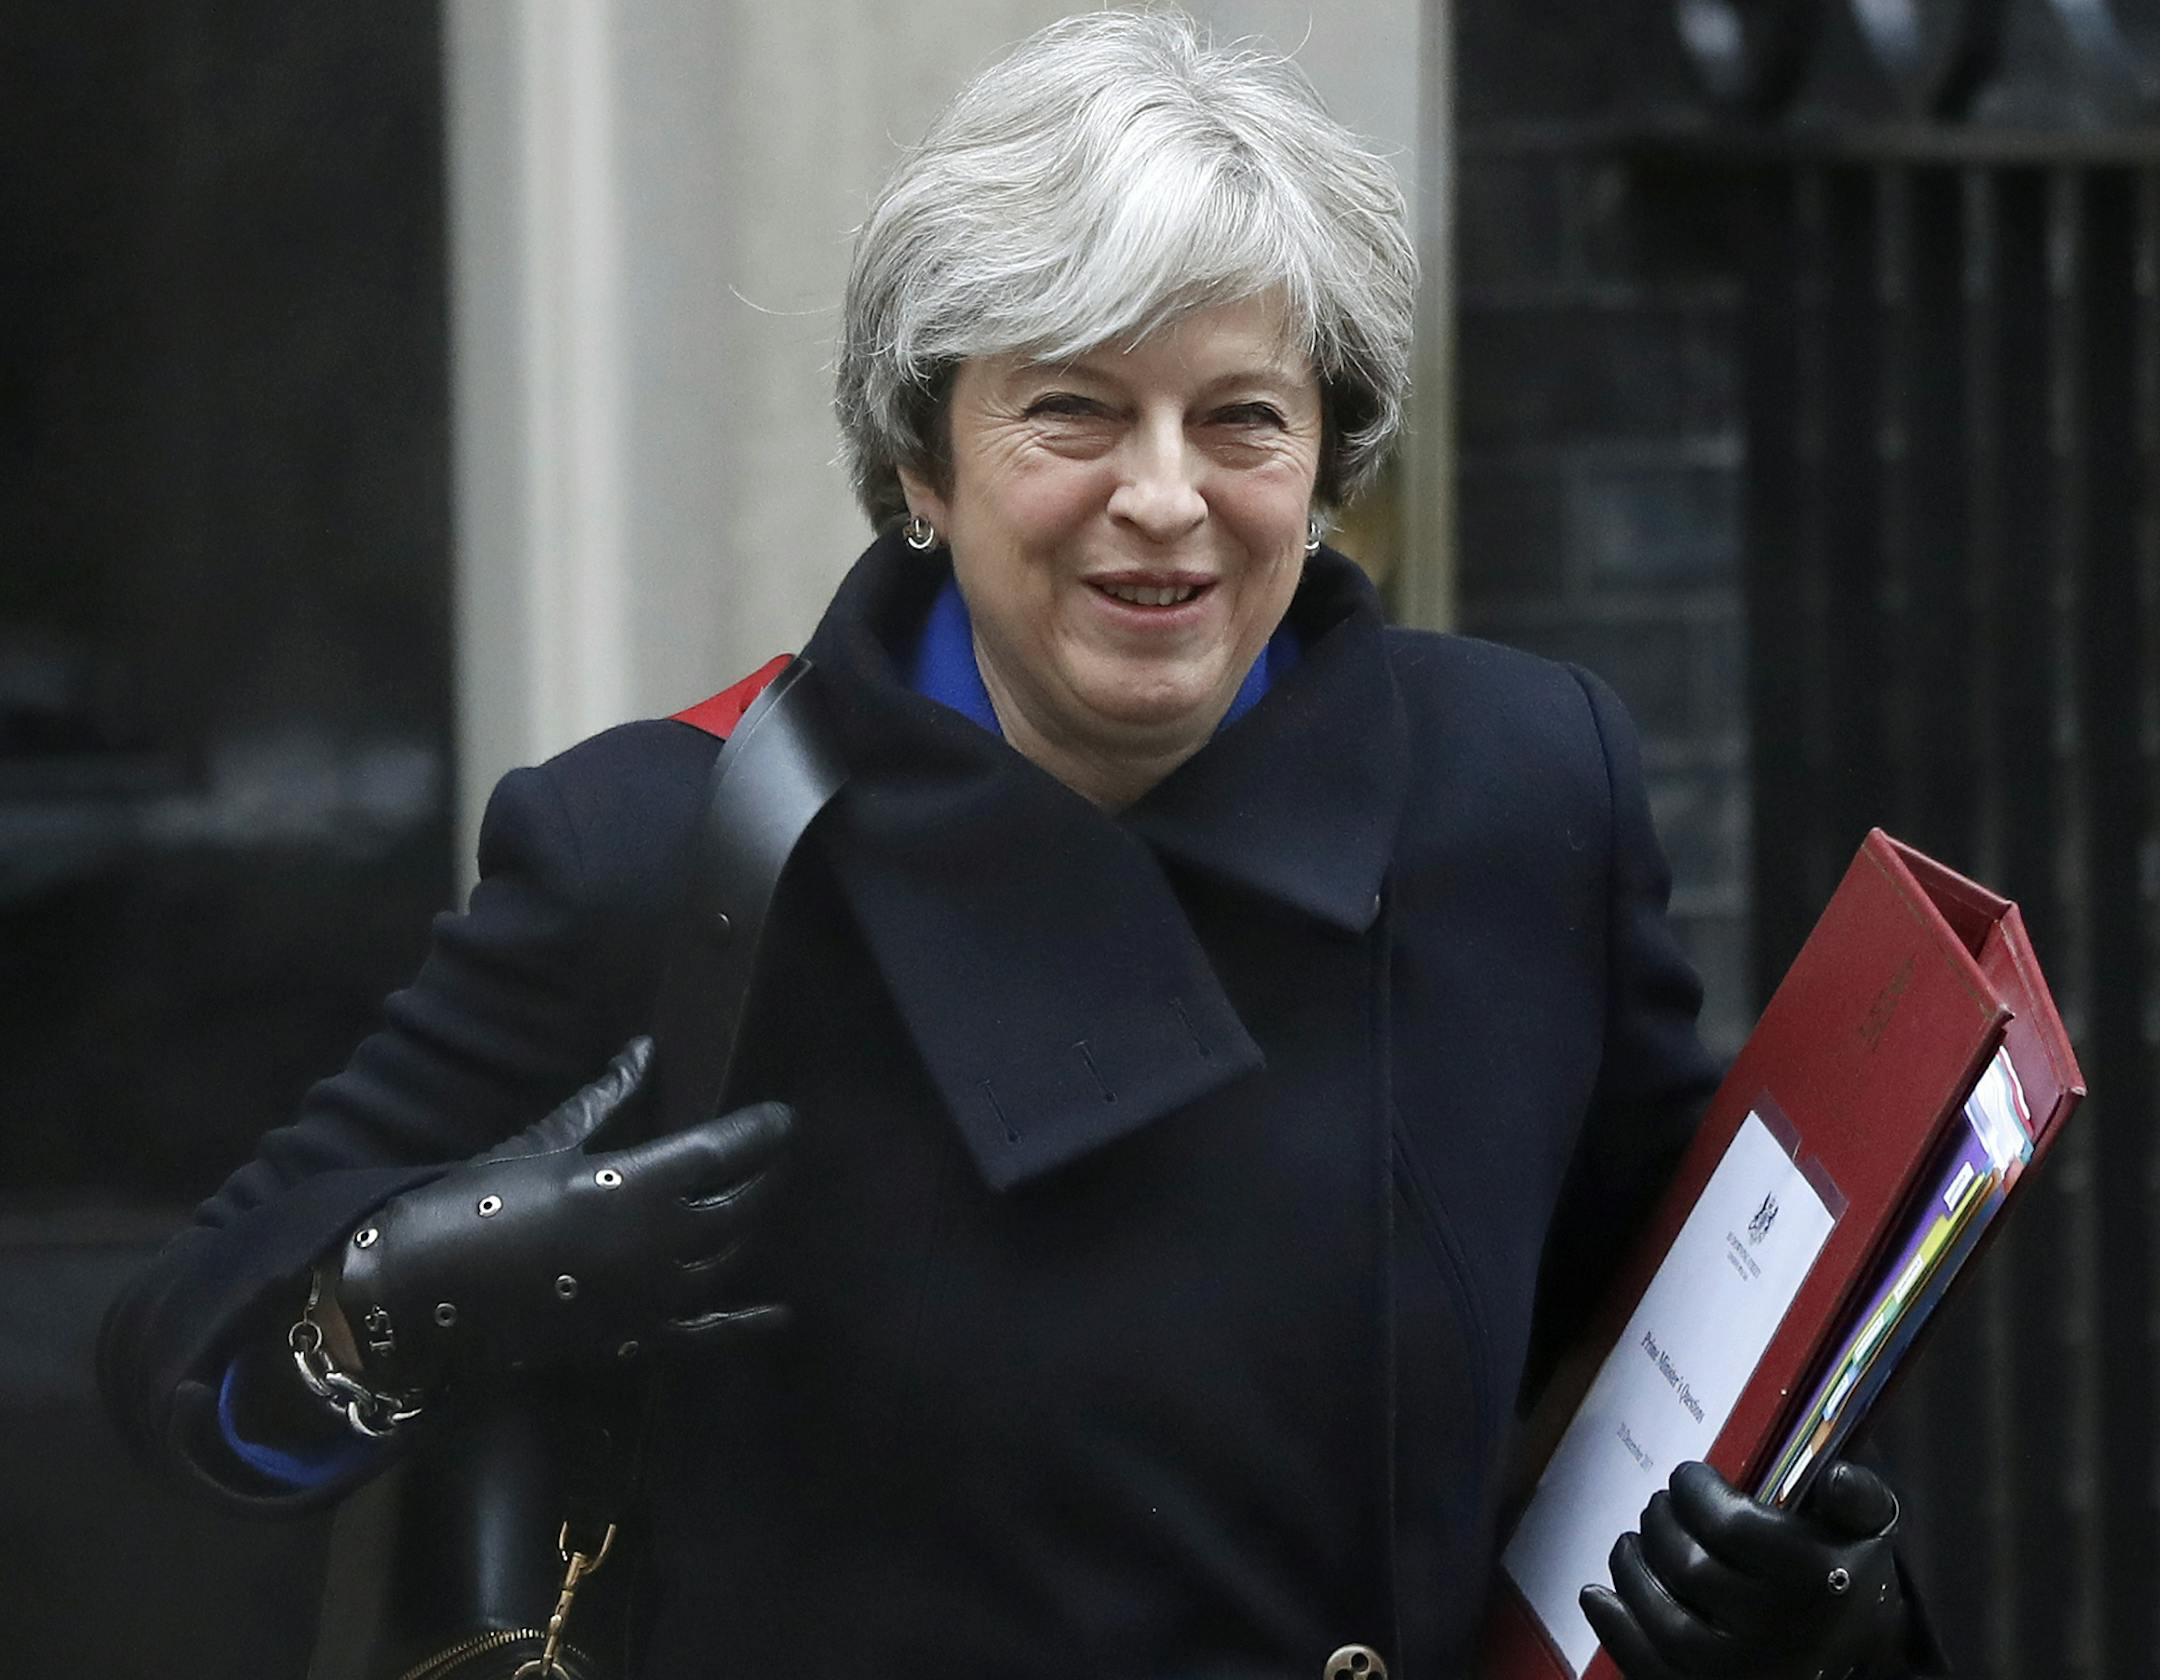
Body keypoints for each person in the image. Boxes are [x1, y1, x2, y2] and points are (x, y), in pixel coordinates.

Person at [98, 12, 1937, 1677]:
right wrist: (425, 1291)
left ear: (1329, 454)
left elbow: (1695, 1339)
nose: (1163, 495)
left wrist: (1811, 1597)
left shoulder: (1519, 789)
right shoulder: (660, 849)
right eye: (1070, 407)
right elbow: (188, 1373)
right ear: (923, 457)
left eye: (1243, 416)